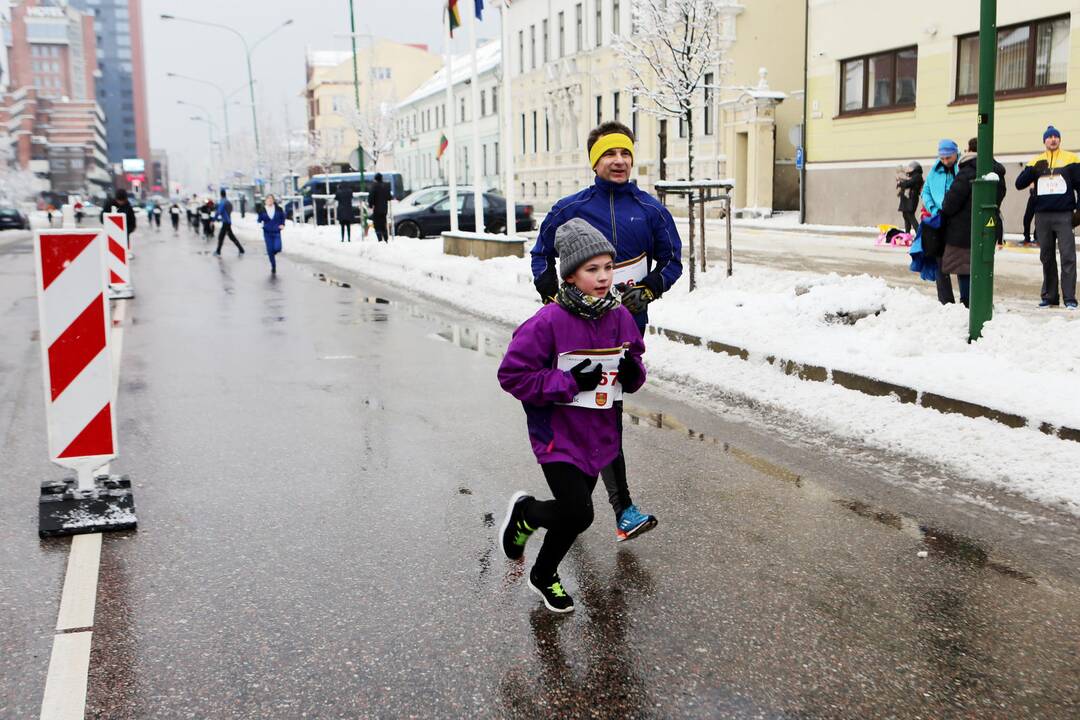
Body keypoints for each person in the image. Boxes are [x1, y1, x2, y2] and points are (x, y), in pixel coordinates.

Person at [530, 120, 681, 543]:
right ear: (595, 162)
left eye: (626, 153)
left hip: (623, 326)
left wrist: (650, 289)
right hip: (575, 327)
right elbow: (541, 256)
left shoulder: (651, 210)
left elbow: (672, 262)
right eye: (610, 154)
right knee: (584, 409)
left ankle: (590, 509)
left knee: (605, 409)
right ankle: (606, 508)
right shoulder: (568, 209)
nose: (619, 161)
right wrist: (554, 297)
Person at [497, 218, 647, 613]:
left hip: (598, 434)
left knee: (572, 515)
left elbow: (631, 366)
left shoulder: (619, 317)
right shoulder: (546, 322)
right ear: (571, 275)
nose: (602, 278)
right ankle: (528, 515)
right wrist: (565, 381)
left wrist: (632, 373)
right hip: (557, 435)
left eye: (608, 268)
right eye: (591, 269)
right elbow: (512, 375)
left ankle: (541, 567)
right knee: (580, 512)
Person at [1015, 125, 1079, 309]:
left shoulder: (1071, 159)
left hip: (1064, 215)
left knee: (1068, 257)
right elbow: (1019, 184)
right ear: (1044, 141)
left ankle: (1070, 298)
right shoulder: (1036, 161)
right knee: (1047, 257)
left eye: (1056, 137)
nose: (1053, 139)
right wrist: (1033, 171)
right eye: (1049, 137)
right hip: (1042, 216)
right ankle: (1050, 296)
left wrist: (1078, 212)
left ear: (1059, 140)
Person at [938, 138, 1007, 308]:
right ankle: (981, 301)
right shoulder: (996, 171)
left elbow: (950, 203)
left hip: (962, 231)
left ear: (969, 150)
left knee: (965, 269)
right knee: (982, 268)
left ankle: (968, 304)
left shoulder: (967, 171)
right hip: (987, 228)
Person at [920, 139, 959, 304]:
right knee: (939, 260)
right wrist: (932, 208)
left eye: (949, 157)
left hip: (956, 220)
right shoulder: (935, 171)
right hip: (937, 220)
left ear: (955, 154)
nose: (946, 161)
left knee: (960, 260)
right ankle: (945, 300)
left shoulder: (961, 169)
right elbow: (926, 191)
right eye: (942, 158)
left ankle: (967, 298)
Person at [258, 194, 286, 275]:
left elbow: (282, 217)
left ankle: (271, 254)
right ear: (265, 200)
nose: (269, 200)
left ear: (273, 200)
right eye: (268, 199)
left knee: (278, 248)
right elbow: (259, 219)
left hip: (276, 231)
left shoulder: (278, 209)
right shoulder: (262, 210)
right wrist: (260, 223)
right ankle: (273, 266)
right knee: (270, 249)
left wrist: (282, 224)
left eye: (271, 199)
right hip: (267, 232)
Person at [214, 189, 244, 256]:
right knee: (231, 237)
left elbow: (219, 211)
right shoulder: (228, 202)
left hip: (226, 222)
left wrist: (214, 219)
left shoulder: (222, 202)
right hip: (228, 221)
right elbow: (229, 211)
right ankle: (241, 249)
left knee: (221, 236)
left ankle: (218, 251)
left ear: (220, 194)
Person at [896, 161, 923, 234]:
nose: (907, 168)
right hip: (906, 199)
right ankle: (907, 234)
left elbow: (908, 184)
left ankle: (919, 234)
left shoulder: (917, 176)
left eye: (910, 167)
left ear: (915, 168)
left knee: (910, 216)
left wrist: (900, 183)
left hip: (911, 199)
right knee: (905, 216)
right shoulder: (909, 176)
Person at [367, 173, 392, 242]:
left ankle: (380, 239)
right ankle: (386, 238)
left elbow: (371, 197)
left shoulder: (374, 186)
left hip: (377, 209)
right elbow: (389, 197)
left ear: (375, 179)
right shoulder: (385, 186)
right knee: (383, 223)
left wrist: (370, 205)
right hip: (384, 209)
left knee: (377, 224)